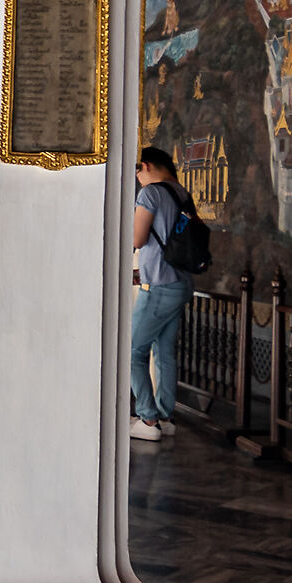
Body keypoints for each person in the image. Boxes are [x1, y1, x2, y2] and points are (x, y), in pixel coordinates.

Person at [128, 146, 196, 442]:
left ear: (145, 166)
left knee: (133, 352)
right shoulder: (182, 193)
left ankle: (147, 416)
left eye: (137, 171)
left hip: (157, 286)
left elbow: (138, 238)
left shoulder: (150, 194)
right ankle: (166, 416)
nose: (138, 178)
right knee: (164, 352)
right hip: (180, 283)